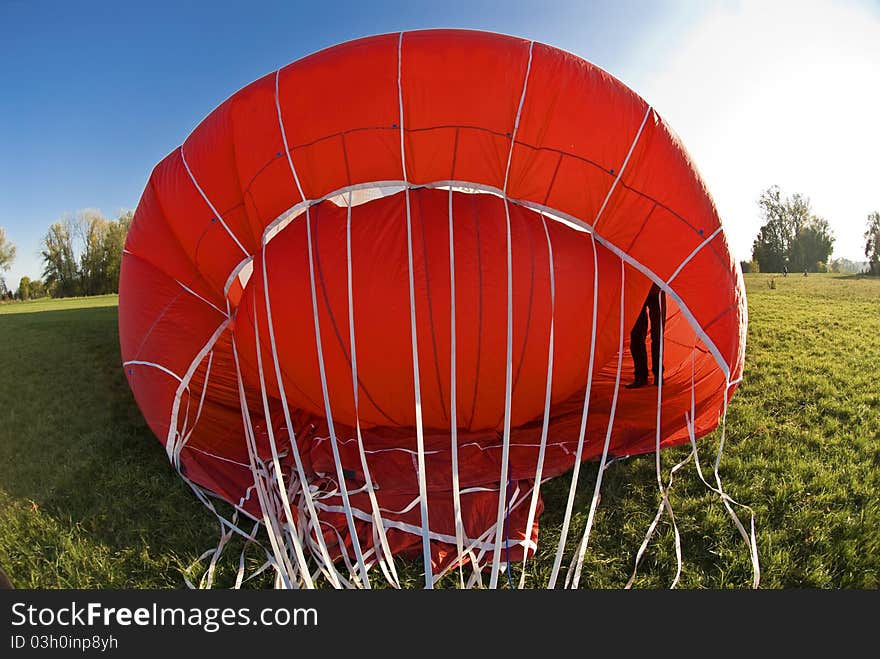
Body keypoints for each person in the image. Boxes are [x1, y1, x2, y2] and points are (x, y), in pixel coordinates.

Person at [625, 282, 666, 389]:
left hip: (655, 287)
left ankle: (657, 375)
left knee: (657, 334)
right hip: (637, 289)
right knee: (637, 335)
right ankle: (641, 376)